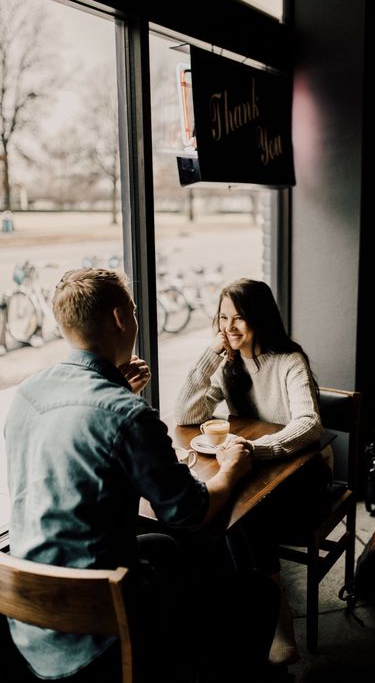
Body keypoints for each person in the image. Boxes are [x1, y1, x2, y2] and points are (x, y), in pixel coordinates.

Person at [4, 268, 279, 683]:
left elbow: (79, 446)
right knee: (259, 594)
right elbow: (191, 512)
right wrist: (230, 469)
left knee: (163, 547)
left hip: (28, 616)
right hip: (98, 631)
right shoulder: (127, 415)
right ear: (120, 319)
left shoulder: (28, 392)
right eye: (132, 309)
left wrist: (121, 394)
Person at [174, 277, 333, 667]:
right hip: (256, 476)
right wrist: (213, 354)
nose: (229, 328)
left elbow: (309, 423)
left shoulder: (289, 361)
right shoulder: (228, 364)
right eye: (222, 318)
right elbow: (185, 414)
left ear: (260, 319)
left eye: (239, 318)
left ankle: (277, 621)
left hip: (304, 478)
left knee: (243, 512)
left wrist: (255, 450)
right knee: (230, 507)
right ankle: (251, 606)